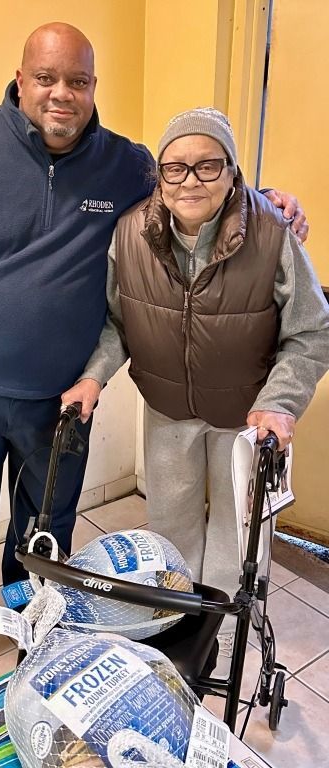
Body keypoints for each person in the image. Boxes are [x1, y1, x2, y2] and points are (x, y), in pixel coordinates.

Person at [0, 21, 307, 717]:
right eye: (47, 78)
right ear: (21, 78)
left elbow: (197, 188)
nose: (63, 94)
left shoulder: (127, 165)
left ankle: (39, 631)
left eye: (79, 81)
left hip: (62, 400)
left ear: (94, 89)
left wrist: (269, 200)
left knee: (45, 525)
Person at [62, 107, 329, 678]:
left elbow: (312, 330)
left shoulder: (273, 233)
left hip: (247, 416)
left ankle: (225, 639)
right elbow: (116, 320)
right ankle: (175, 627)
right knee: (172, 529)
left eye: (208, 166)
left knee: (237, 537)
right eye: (175, 167)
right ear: (159, 173)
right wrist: (93, 376)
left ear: (232, 171)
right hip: (169, 410)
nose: (190, 180)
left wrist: (280, 402)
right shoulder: (131, 232)